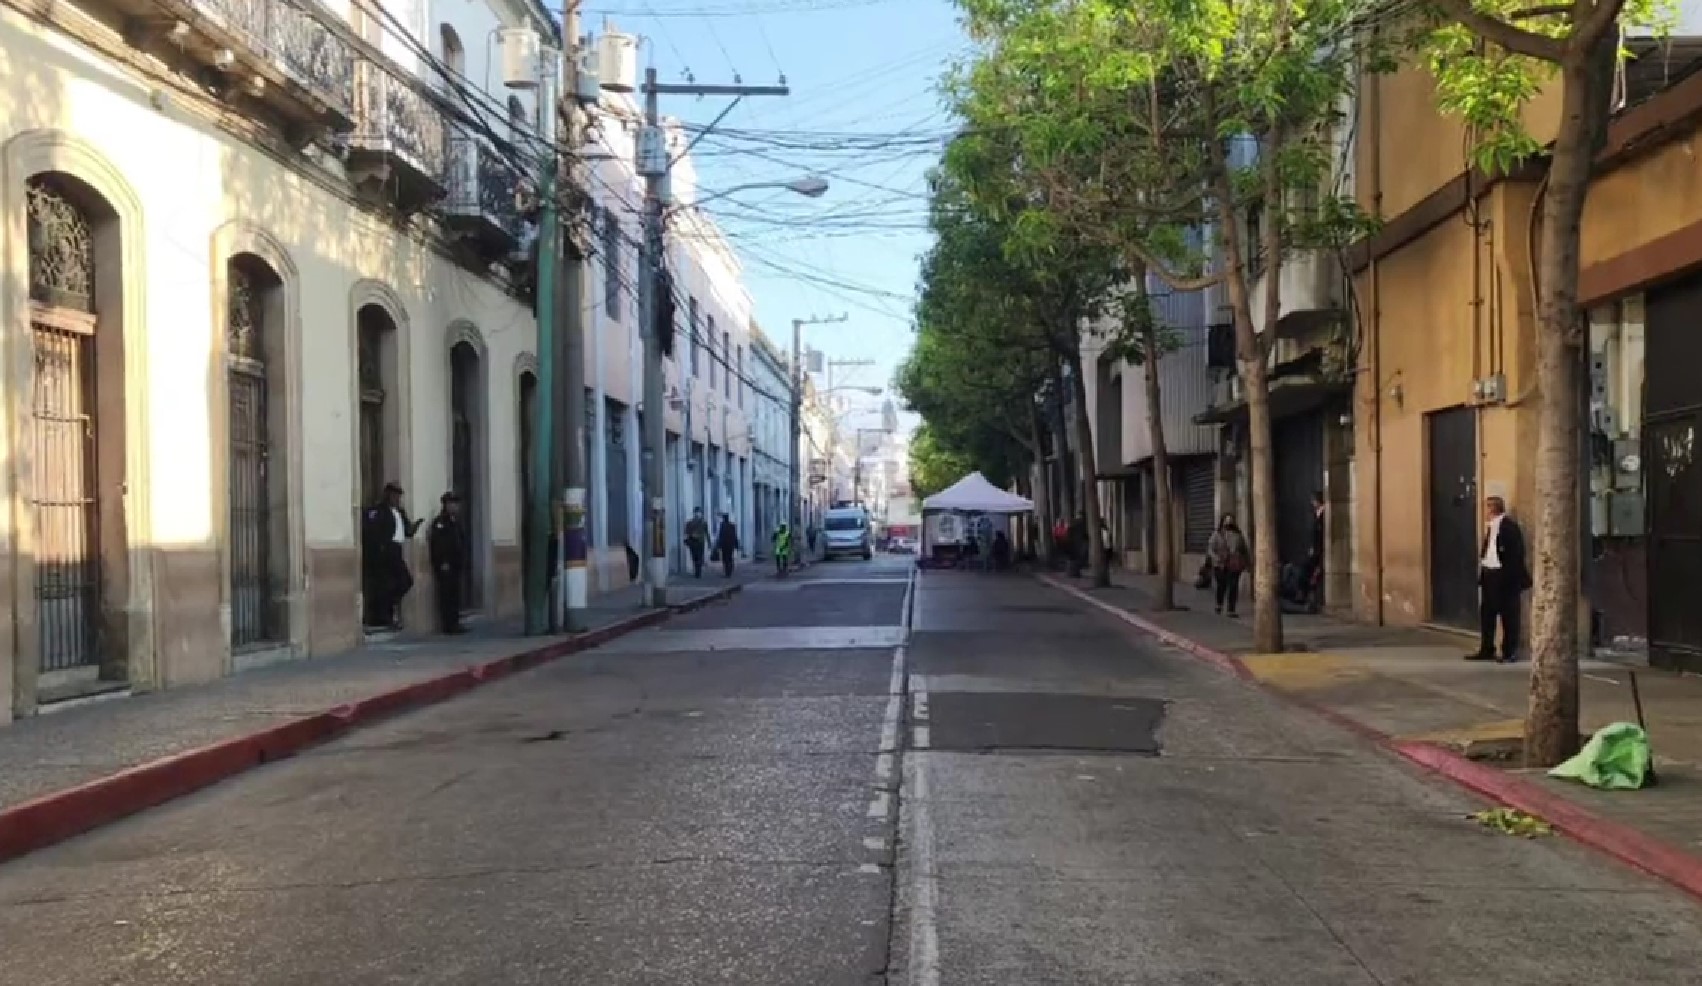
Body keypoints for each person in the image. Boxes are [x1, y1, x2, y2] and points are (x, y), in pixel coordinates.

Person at [1469, 495, 1531, 663]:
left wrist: (1508, 576)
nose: (1485, 511)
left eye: (1487, 507)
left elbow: (1516, 555)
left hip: (1505, 577)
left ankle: (1509, 651)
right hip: (1490, 574)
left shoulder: (1509, 527)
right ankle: (1487, 648)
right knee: (1487, 614)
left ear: (1493, 508)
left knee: (1509, 615)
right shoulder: (1491, 527)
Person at [361, 482, 422, 630]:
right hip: (385, 551)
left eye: (398, 496)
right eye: (394, 495)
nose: (396, 498)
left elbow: (407, 530)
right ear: (387, 495)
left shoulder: (400, 512)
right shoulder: (379, 511)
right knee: (385, 585)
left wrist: (415, 526)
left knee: (405, 581)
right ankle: (383, 617)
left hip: (397, 549)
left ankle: (390, 606)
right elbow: (372, 530)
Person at [427, 492, 468, 635]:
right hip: (446, 565)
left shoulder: (455, 521)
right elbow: (438, 544)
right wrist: (442, 562)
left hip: (455, 564)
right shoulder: (440, 523)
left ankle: (455, 622)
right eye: (452, 504)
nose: (455, 507)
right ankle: (448, 625)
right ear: (446, 505)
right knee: (446, 595)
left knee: (455, 594)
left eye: (456, 504)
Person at [1206, 513, 1250, 617]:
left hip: (1234, 564)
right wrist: (1216, 558)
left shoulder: (1238, 535)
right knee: (1222, 585)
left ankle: (1231, 609)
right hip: (1220, 564)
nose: (1229, 522)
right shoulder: (1217, 534)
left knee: (1233, 586)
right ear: (1223, 521)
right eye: (1227, 520)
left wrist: (1247, 563)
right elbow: (1210, 549)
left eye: (1231, 520)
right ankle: (1219, 604)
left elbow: (1244, 549)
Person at [684, 508, 709, 579]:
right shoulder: (689, 523)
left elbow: (706, 533)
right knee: (694, 557)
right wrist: (691, 535)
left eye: (699, 512)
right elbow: (686, 532)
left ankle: (698, 572)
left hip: (700, 543)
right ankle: (697, 571)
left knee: (699, 557)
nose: (697, 514)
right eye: (696, 512)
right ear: (694, 513)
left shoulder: (704, 523)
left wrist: (709, 542)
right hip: (693, 542)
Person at [716, 512, 741, 578]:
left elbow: (721, 536)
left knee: (725, 558)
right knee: (729, 557)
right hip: (730, 545)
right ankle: (729, 569)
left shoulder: (723, 526)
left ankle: (728, 571)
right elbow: (734, 536)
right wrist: (736, 545)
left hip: (725, 545)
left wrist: (719, 545)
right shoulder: (732, 526)